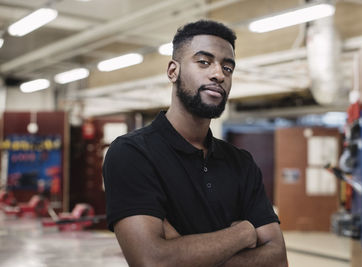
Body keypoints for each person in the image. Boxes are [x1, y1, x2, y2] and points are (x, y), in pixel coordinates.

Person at [103, 20, 288, 267]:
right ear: (173, 71)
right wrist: (242, 233)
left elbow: (277, 259)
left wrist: (185, 251)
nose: (218, 74)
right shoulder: (132, 154)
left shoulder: (241, 162)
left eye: (228, 68)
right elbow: (153, 261)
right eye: (204, 62)